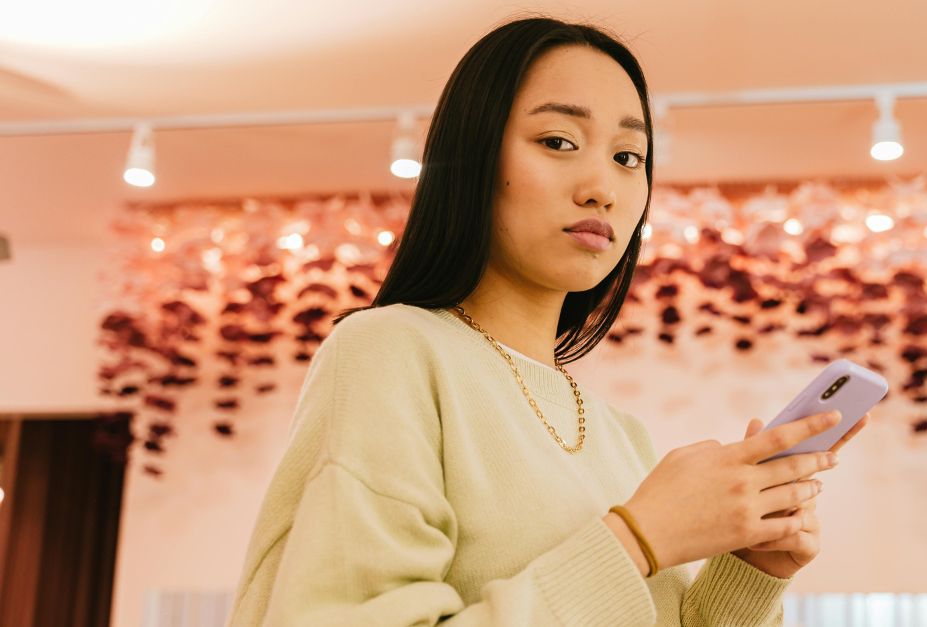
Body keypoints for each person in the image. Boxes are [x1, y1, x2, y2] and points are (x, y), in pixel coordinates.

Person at [228, 16, 867, 627]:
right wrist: (641, 536)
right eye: (559, 142)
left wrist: (749, 571)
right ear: (474, 159)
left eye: (629, 157)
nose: (602, 187)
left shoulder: (622, 436)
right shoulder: (389, 350)